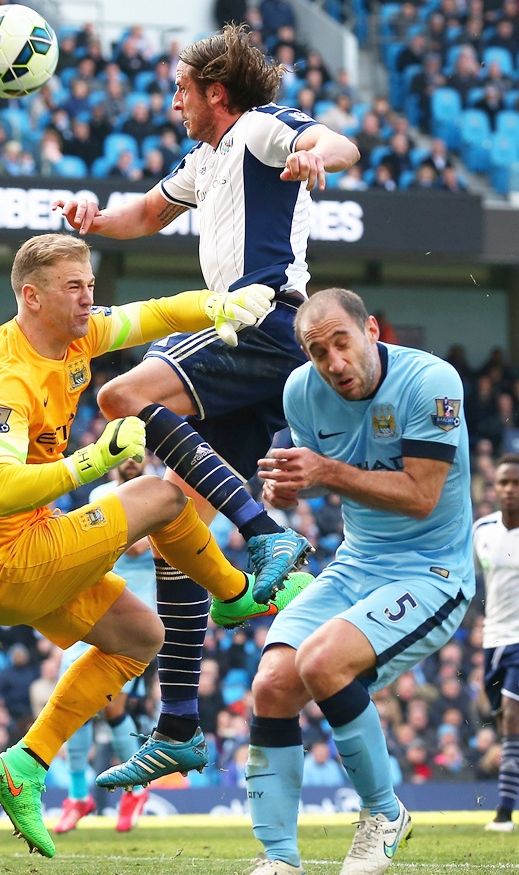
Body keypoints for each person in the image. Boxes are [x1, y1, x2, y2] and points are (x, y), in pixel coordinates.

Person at [53, 23, 359, 790]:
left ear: (216, 92)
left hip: (259, 317)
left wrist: (319, 154)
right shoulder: (206, 158)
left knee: (119, 391)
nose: (174, 100)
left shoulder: (257, 130)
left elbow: (340, 142)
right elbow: (146, 216)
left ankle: (267, 537)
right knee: (171, 522)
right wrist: (92, 221)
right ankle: (181, 725)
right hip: (249, 340)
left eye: (183, 89)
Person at [0, 232, 306, 859]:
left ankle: (26, 763)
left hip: (10, 556)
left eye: (90, 285)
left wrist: (215, 307)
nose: (88, 299)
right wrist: (91, 461)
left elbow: (152, 315)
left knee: (141, 638)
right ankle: (238, 593)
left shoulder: (73, 336)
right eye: (74, 288)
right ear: (31, 296)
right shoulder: (5, 380)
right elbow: (0, 490)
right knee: (162, 498)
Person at [244, 287, 475, 875]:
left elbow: (422, 496)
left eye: (341, 342)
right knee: (271, 683)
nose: (334, 363)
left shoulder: (432, 382)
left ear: (371, 329)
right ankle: (279, 860)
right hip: (357, 564)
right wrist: (285, 487)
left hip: (433, 570)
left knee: (321, 663)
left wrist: (325, 472)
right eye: (318, 353)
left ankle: (384, 814)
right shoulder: (301, 391)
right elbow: (306, 476)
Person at [53, 454, 156, 835]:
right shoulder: (101, 492)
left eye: (138, 456)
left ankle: (129, 791)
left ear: (149, 457)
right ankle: (81, 795)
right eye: (125, 456)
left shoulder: (162, 492)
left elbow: (140, 547)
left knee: (108, 703)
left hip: (141, 616)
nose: (132, 462)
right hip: (100, 606)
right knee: (72, 696)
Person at [472, 454, 519, 832]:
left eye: (516, 483)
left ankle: (504, 811)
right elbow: (470, 584)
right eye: (504, 482)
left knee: (511, 713)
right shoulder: (482, 531)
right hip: (494, 640)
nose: (509, 489)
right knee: (502, 719)